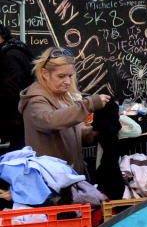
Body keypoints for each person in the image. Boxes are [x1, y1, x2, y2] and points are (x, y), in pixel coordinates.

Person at [18, 47, 111, 175]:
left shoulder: (64, 96)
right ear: (45, 74)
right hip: (51, 183)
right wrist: (89, 104)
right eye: (61, 76)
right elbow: (51, 121)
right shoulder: (35, 101)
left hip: (70, 178)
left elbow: (76, 131)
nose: (67, 81)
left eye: (70, 76)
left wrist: (95, 131)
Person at [0, 24, 35, 149]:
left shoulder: (9, 56)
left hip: (17, 121)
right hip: (22, 119)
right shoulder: (16, 48)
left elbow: (11, 90)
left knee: (19, 158)